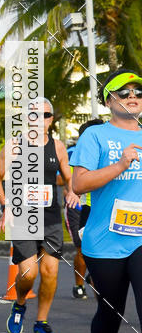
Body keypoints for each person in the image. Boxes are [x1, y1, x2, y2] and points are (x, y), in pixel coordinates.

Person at [71, 70, 142, 333]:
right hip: (105, 241)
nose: (133, 96)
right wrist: (120, 164)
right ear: (108, 99)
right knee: (110, 313)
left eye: (138, 91)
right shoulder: (95, 136)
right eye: (123, 91)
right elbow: (79, 184)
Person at [0, 98, 78, 333]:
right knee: (29, 273)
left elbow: (69, 176)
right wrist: (6, 205)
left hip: (50, 216)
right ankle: (19, 303)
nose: (39, 120)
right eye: (34, 115)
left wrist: (72, 190)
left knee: (50, 272)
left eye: (45, 115)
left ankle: (41, 323)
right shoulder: (14, 145)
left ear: (51, 120)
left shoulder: (58, 146)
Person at [64, 119, 104, 299]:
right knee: (82, 249)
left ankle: (96, 280)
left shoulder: (109, 151)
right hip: (81, 207)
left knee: (103, 250)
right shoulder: (74, 151)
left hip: (104, 207)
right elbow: (64, 178)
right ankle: (79, 284)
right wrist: (73, 189)